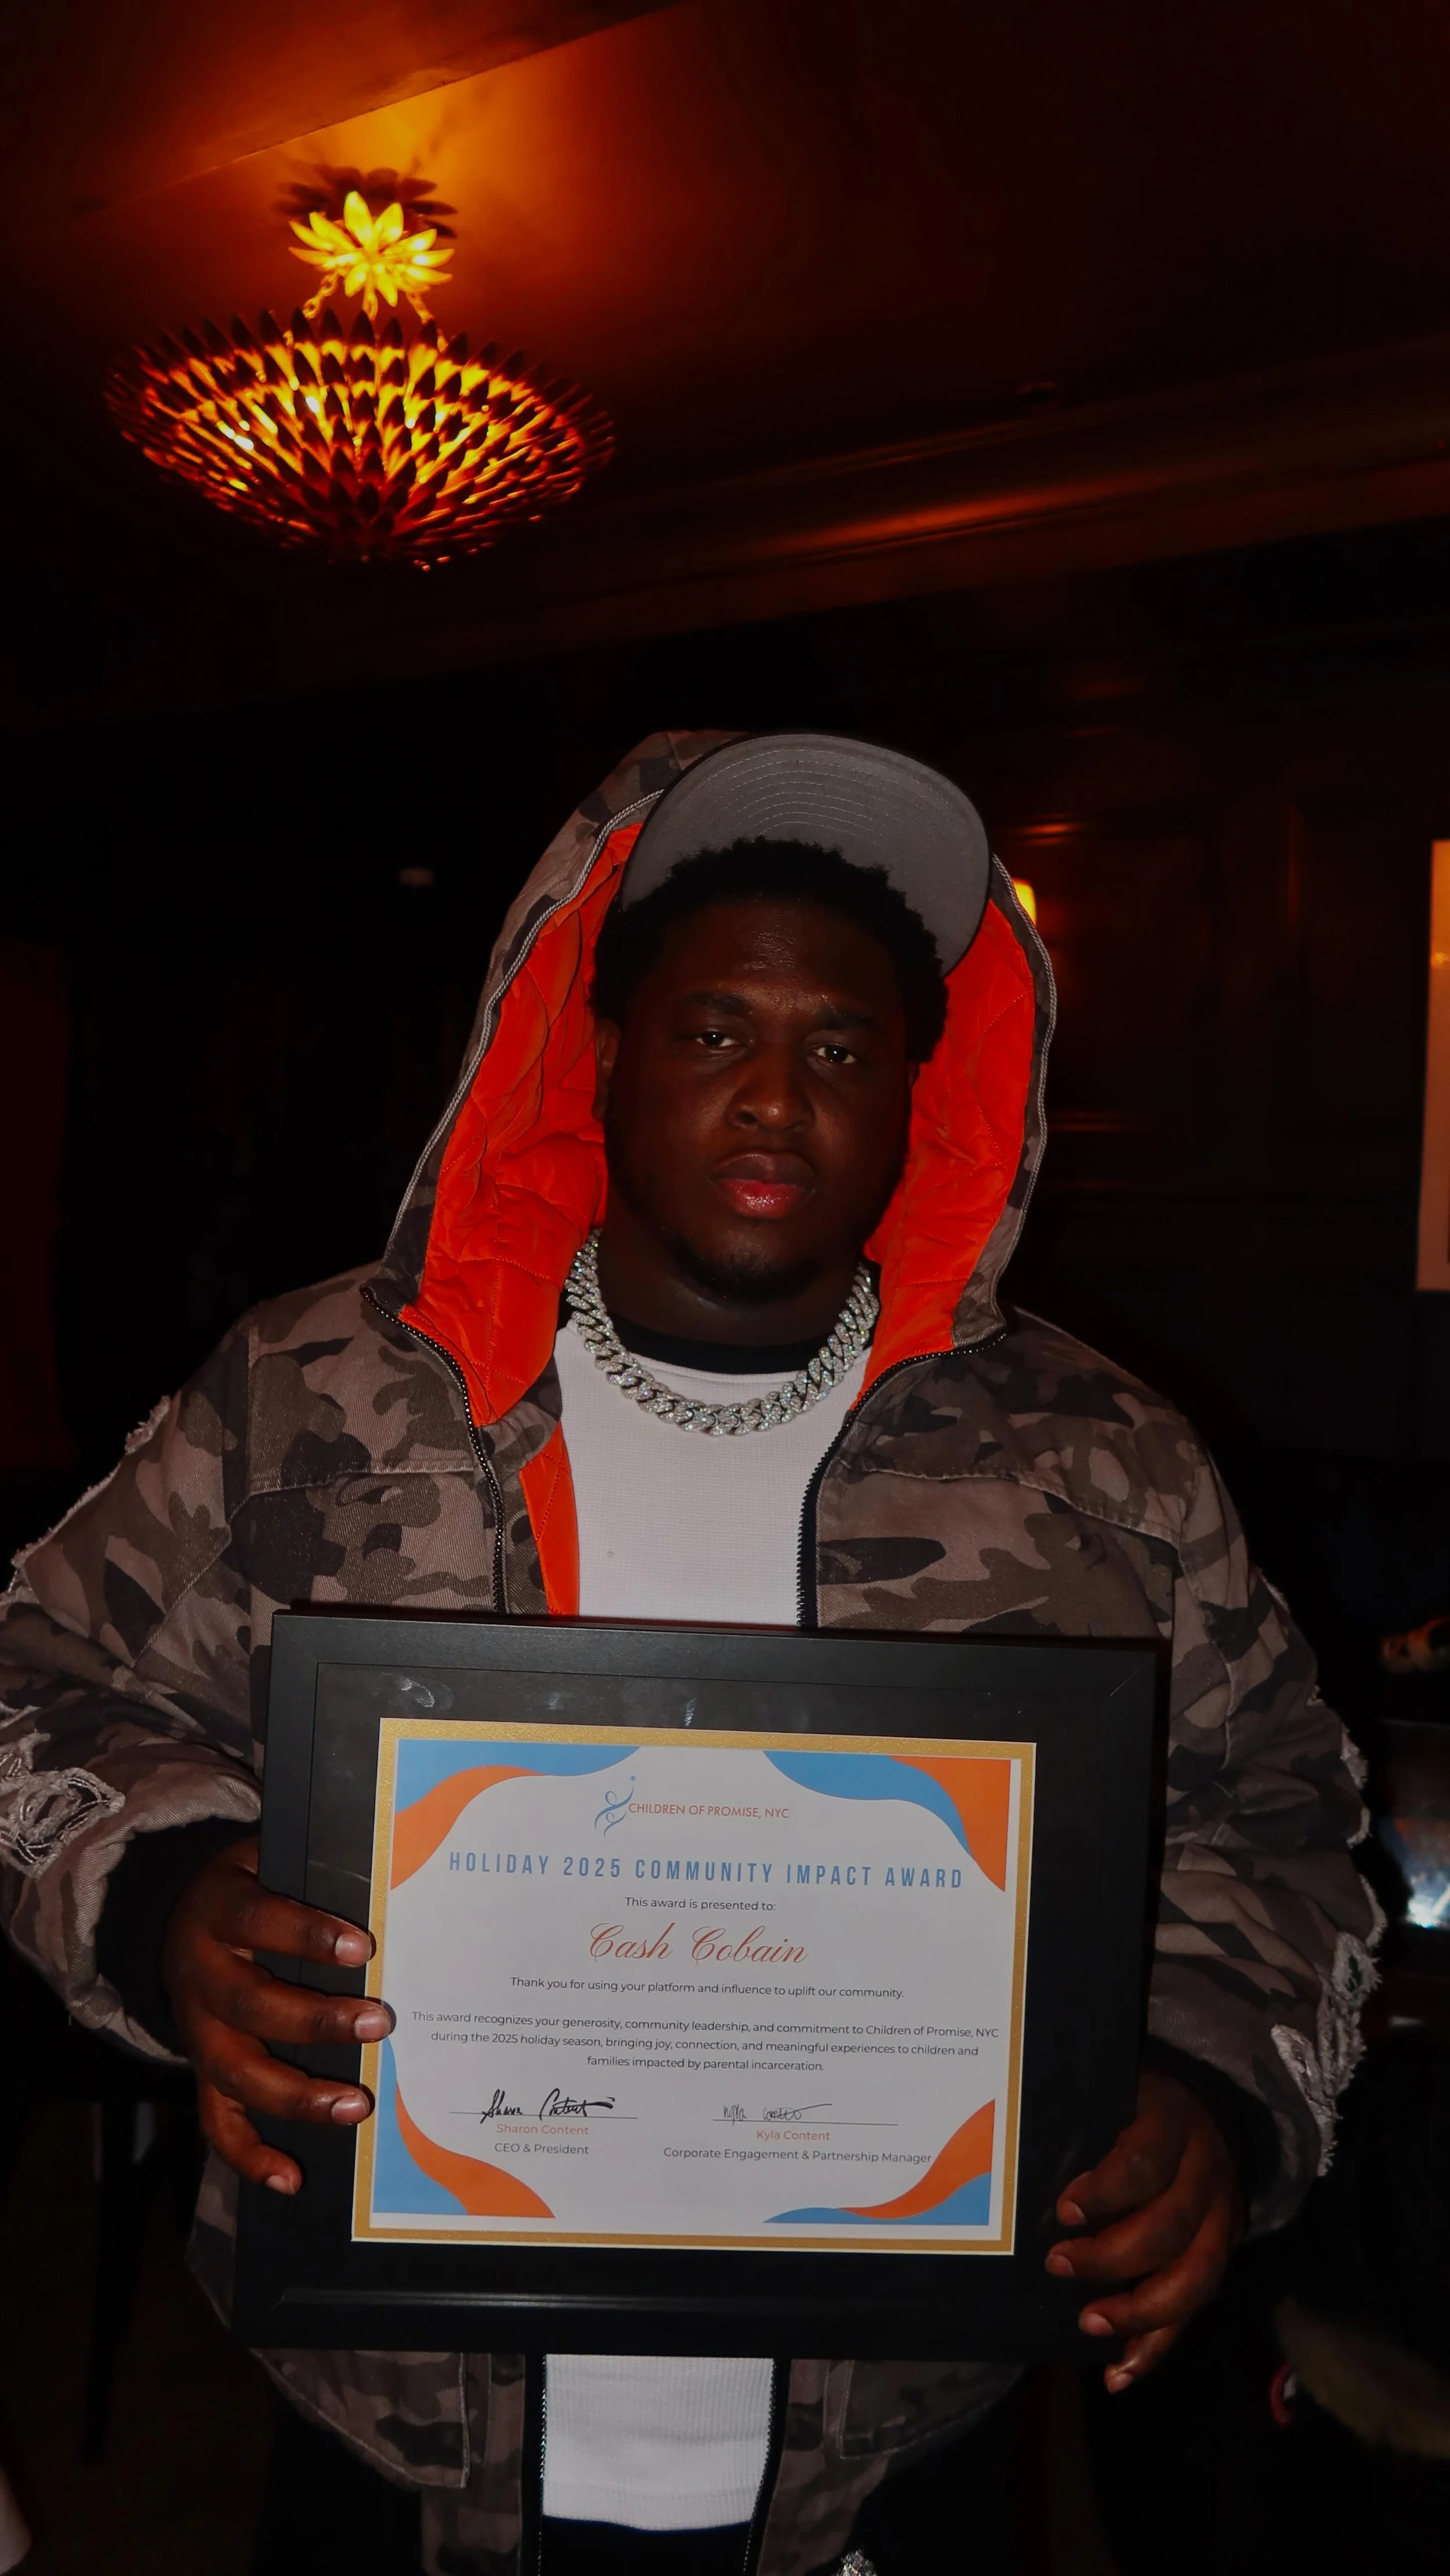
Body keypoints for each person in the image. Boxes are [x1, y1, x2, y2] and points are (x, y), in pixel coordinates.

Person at [0, 730, 1378, 2575]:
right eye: (715, 1029)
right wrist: (157, 1898)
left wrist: (1208, 2080)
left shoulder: (1096, 1460)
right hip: (394, 2445)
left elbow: (1277, 1810)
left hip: (902, 2456)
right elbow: (31, 1678)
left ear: (919, 1092)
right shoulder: (313, 1392)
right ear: (600, 1055)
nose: (775, 1098)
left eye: (842, 1049)